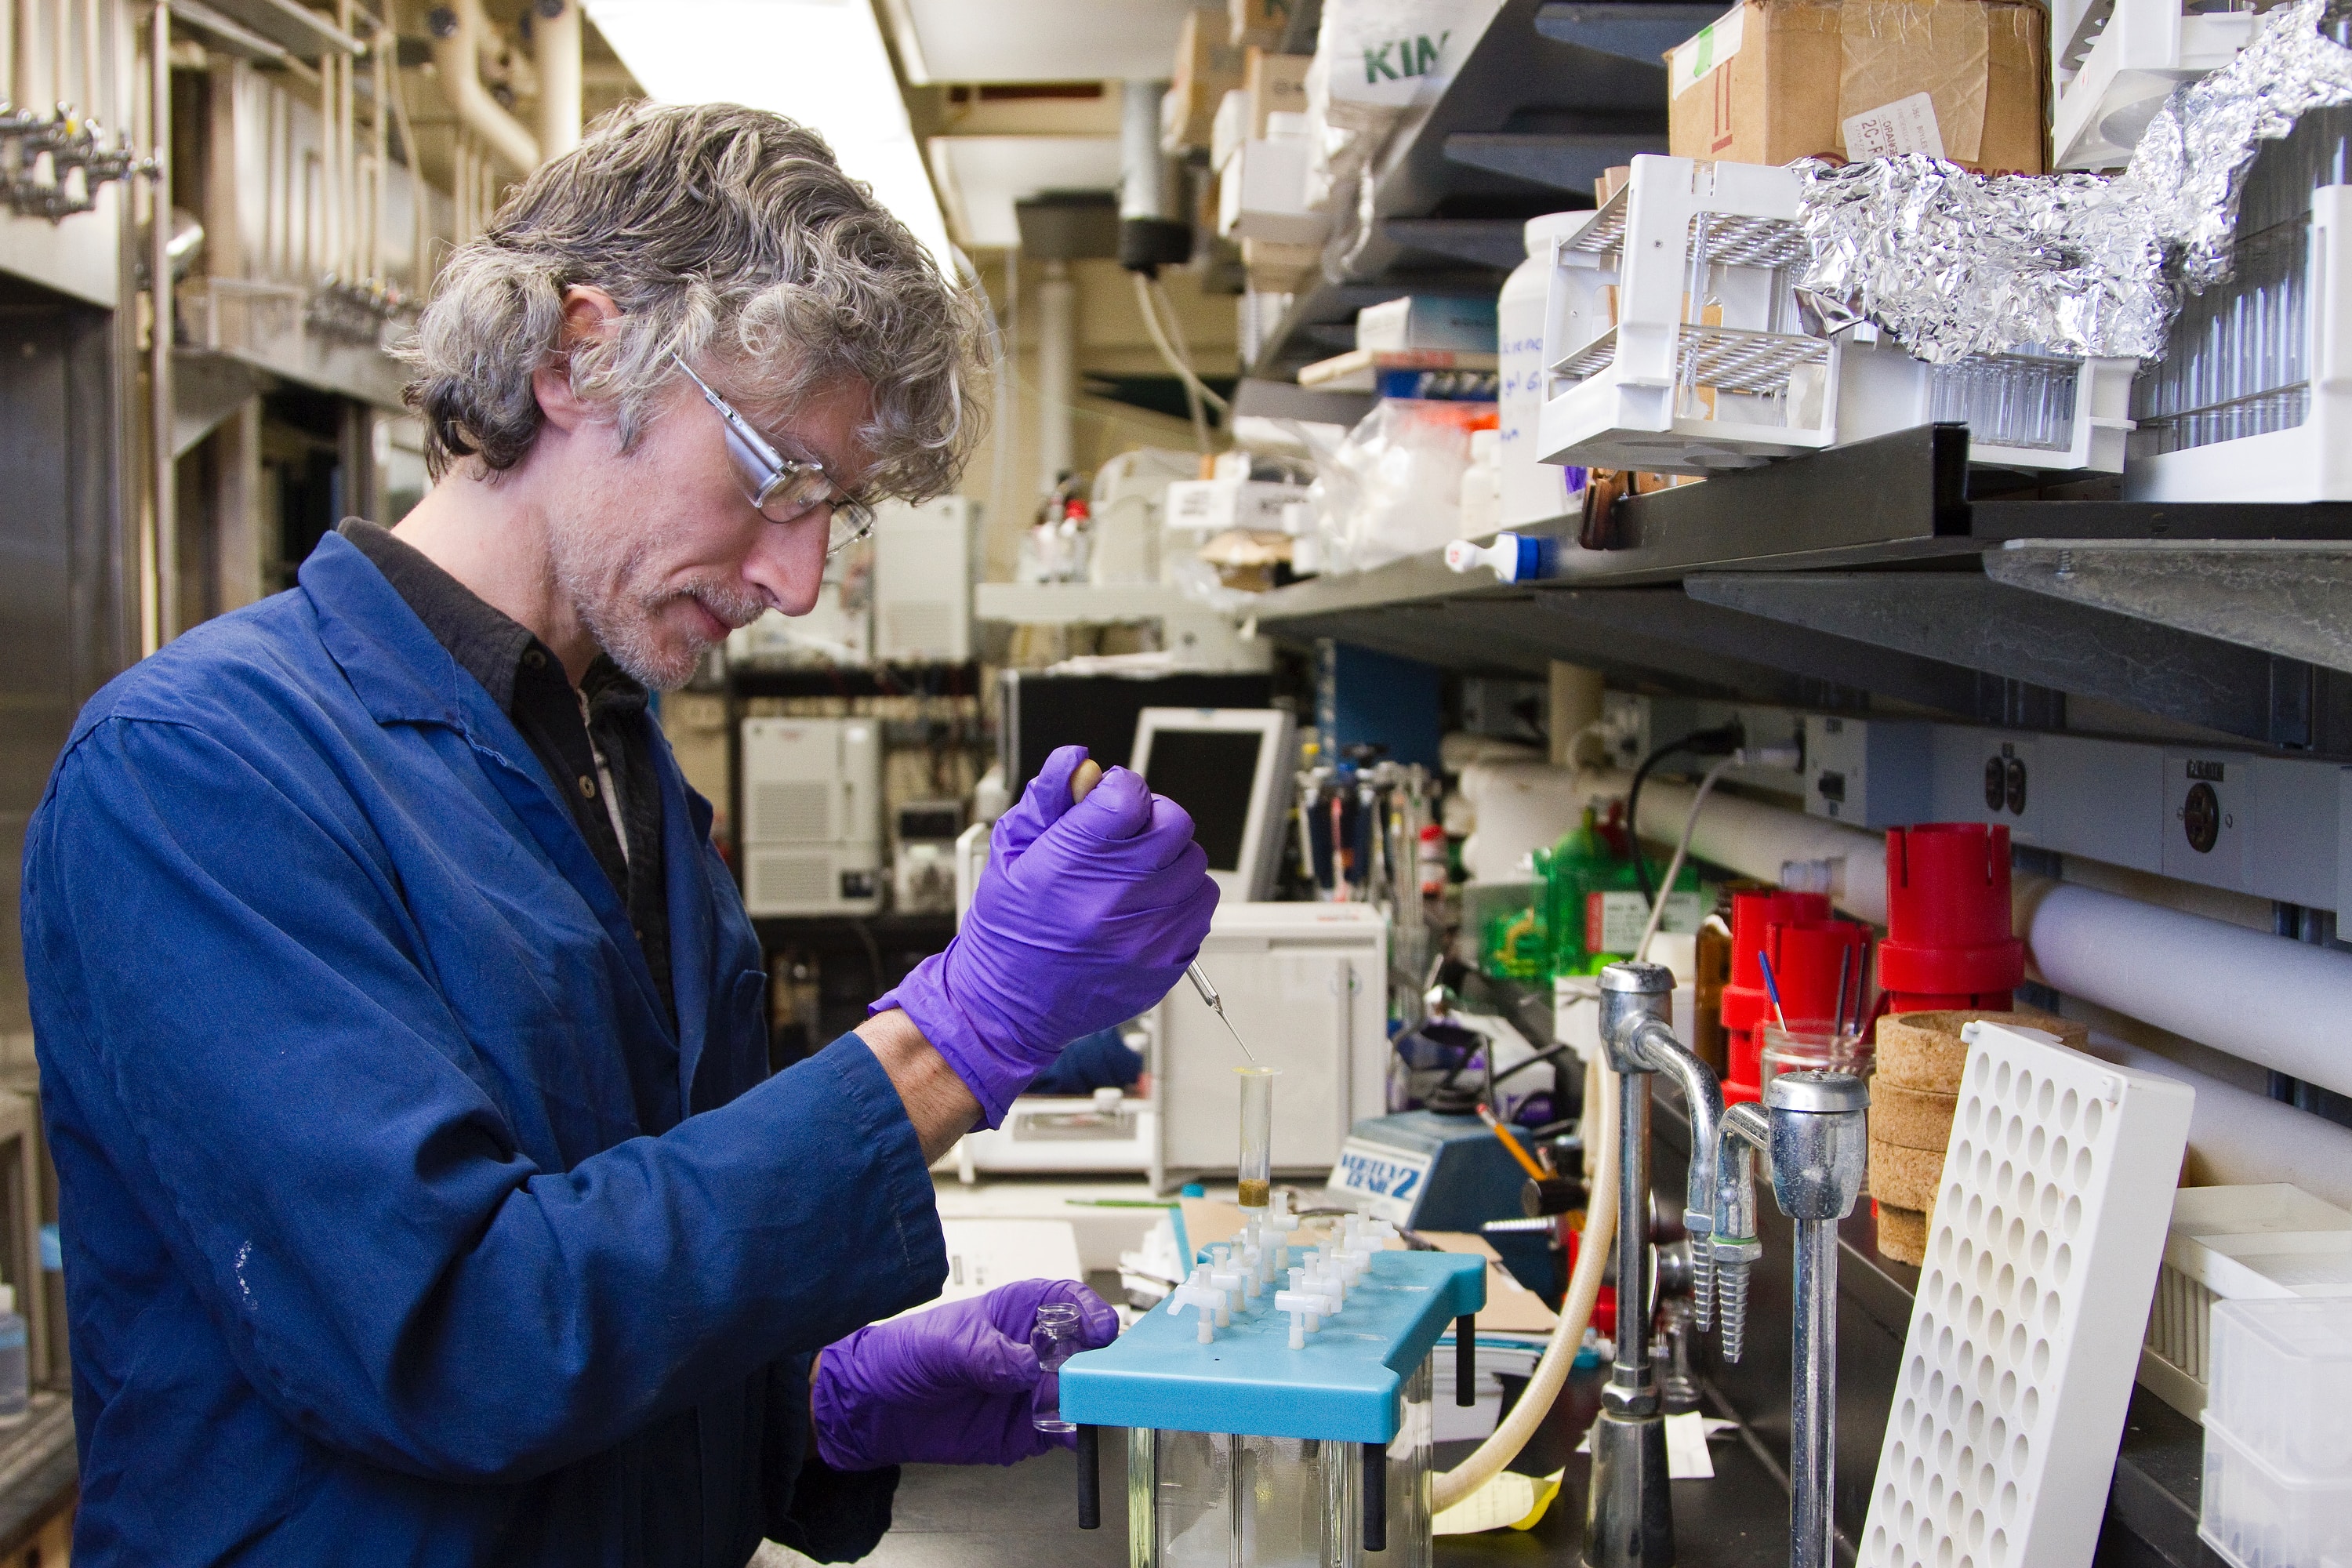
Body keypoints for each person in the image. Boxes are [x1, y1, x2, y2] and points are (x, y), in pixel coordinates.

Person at [20, 103, 1217, 1564]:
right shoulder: (202, 772)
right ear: (577, 354)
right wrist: (946, 1045)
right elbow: (461, 1337)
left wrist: (817, 1408)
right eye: (775, 477)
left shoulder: (620, 764)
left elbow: (635, 1260)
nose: (797, 579)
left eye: (830, 512)